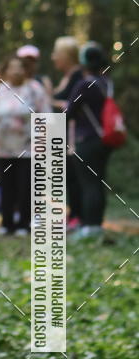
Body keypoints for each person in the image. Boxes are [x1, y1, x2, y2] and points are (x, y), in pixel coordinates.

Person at [0, 55, 50, 235]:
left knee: (25, 185)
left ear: (25, 70)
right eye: (11, 67)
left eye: (19, 67)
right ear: (5, 71)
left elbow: (45, 115)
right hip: (3, 147)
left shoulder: (35, 89)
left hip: (28, 148)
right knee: (6, 185)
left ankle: (24, 223)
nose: (16, 71)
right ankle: (7, 223)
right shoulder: (0, 91)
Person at [66, 42, 113, 238]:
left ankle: (89, 227)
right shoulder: (107, 83)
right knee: (98, 181)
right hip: (104, 139)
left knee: (88, 184)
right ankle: (97, 224)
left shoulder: (84, 84)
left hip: (86, 140)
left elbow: (69, 112)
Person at [51, 36, 84, 231]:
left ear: (66, 56)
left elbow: (73, 105)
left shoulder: (78, 76)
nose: (53, 57)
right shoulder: (66, 77)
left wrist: (49, 99)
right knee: (68, 176)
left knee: (75, 176)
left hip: (74, 136)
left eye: (57, 54)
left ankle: (78, 217)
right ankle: (72, 214)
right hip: (62, 134)